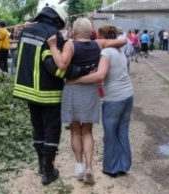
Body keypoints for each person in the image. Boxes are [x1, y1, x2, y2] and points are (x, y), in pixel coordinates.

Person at [47, 18, 126, 185]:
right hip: (90, 90)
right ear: (91, 32)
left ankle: (80, 167)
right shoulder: (98, 44)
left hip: (73, 89)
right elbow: (123, 40)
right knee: (87, 131)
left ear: (74, 32)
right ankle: (90, 166)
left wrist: (53, 46)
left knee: (75, 131)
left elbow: (62, 64)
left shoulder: (71, 44)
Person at [68, 24, 133, 178]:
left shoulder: (105, 52)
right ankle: (123, 165)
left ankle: (111, 168)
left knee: (110, 133)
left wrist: (76, 80)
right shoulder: (119, 51)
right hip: (128, 95)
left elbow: (100, 75)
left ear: (101, 37)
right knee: (122, 131)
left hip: (114, 98)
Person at [13, 5, 68, 186]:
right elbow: (54, 67)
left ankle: (40, 165)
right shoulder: (53, 34)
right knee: (52, 131)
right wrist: (73, 72)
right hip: (48, 93)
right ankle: (48, 172)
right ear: (58, 20)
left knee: (38, 129)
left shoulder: (25, 32)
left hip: (27, 91)